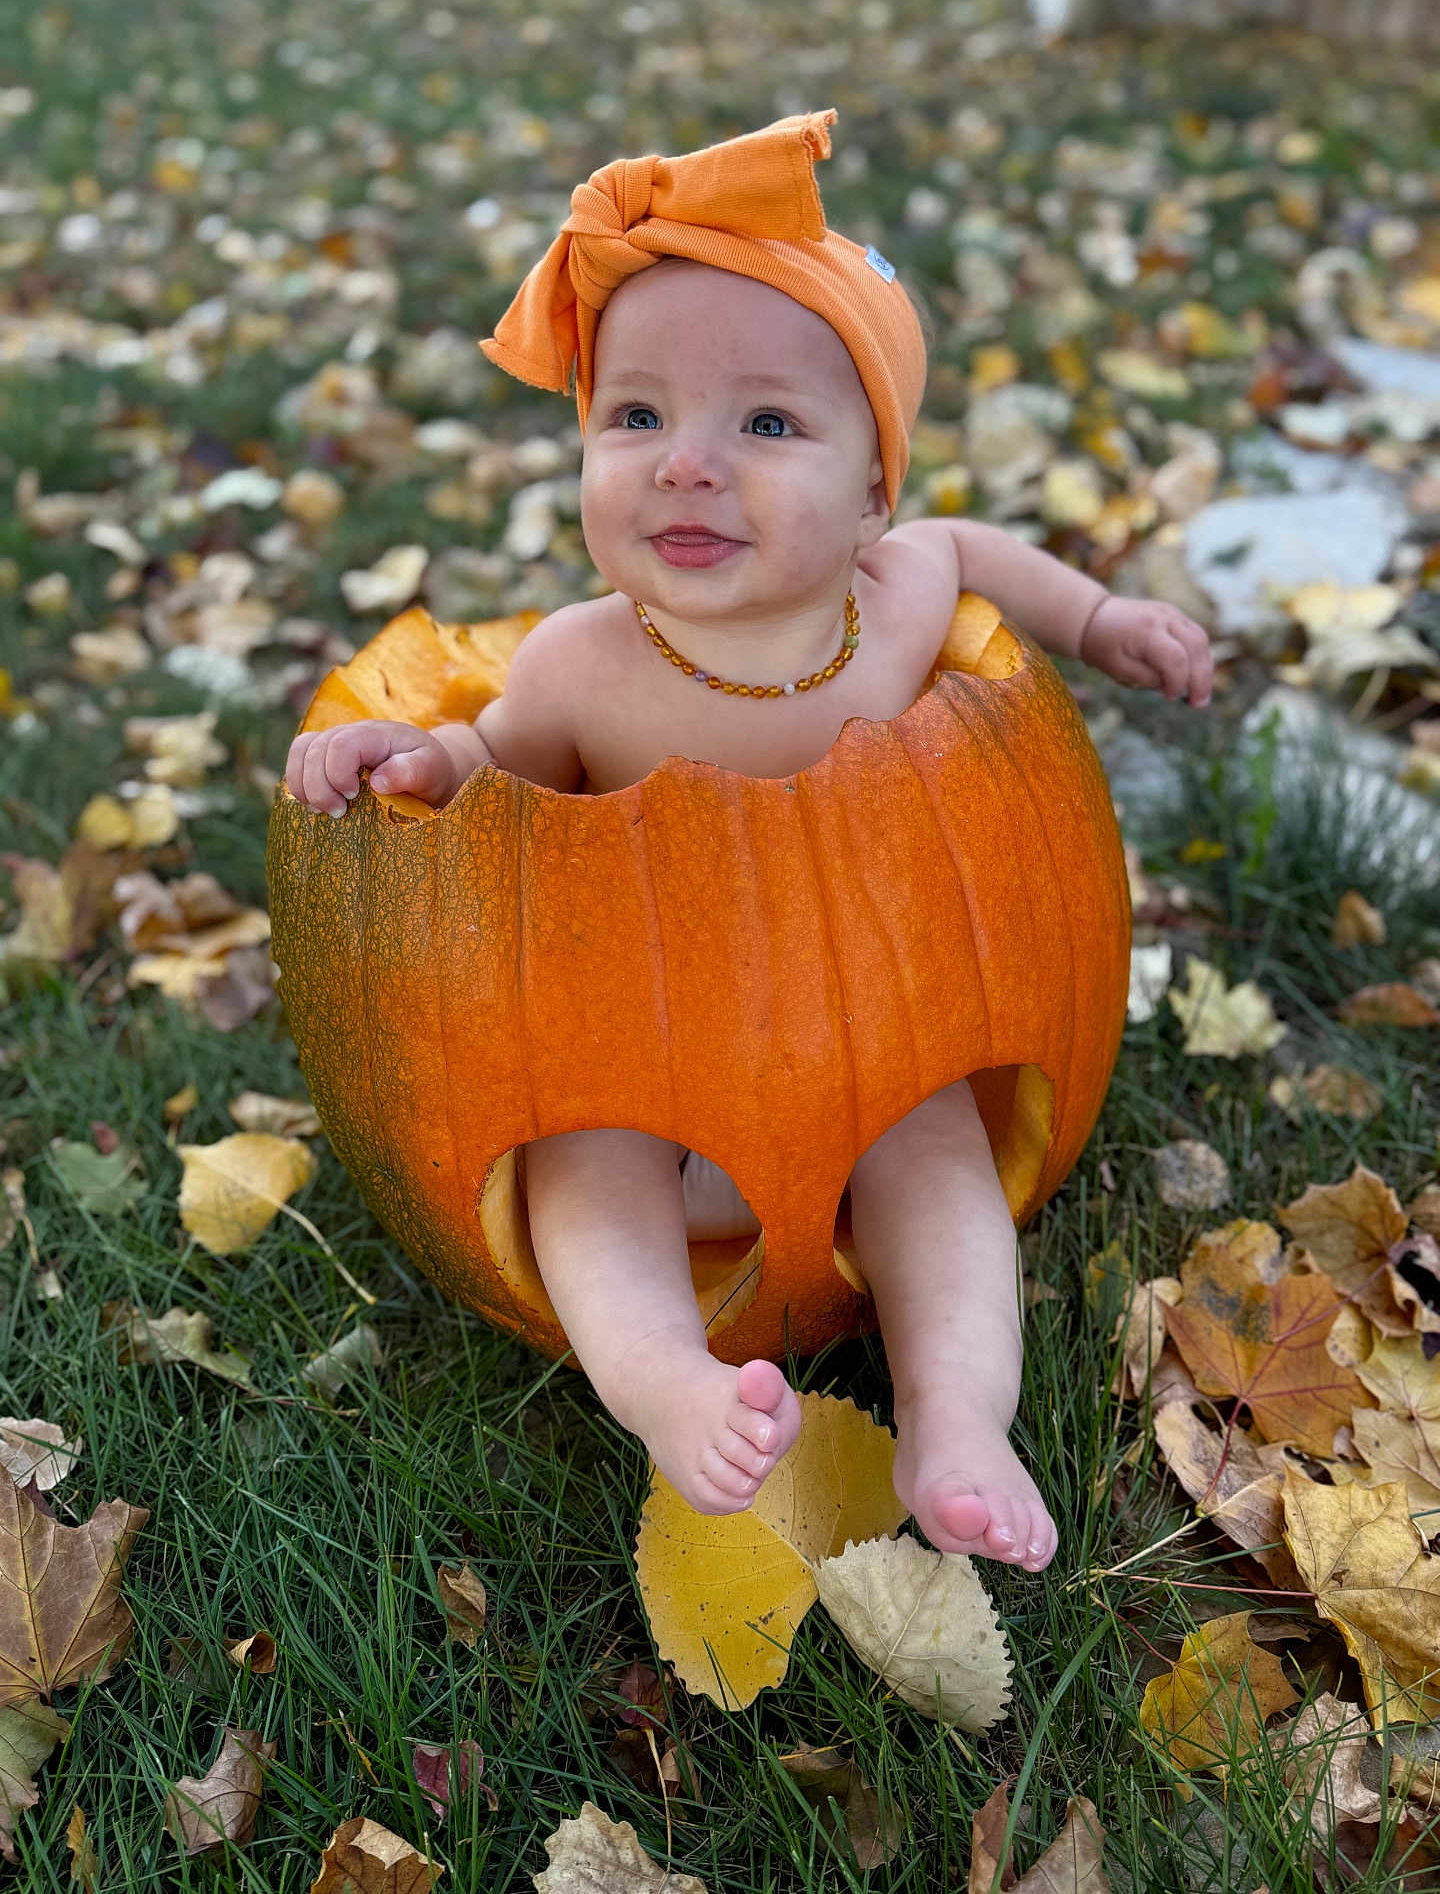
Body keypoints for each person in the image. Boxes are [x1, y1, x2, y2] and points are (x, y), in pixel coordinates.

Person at [285, 111, 1211, 1572]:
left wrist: (1098, 622)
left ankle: (959, 1416)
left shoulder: (900, 599)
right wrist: (406, 755)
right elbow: (483, 767)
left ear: (871, 496)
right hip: (640, 1073)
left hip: (880, 1048)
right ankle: (664, 1378)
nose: (687, 467)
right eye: (634, 418)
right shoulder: (586, 666)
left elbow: (978, 554)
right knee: (579, 1169)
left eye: (766, 425)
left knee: (941, 1156)